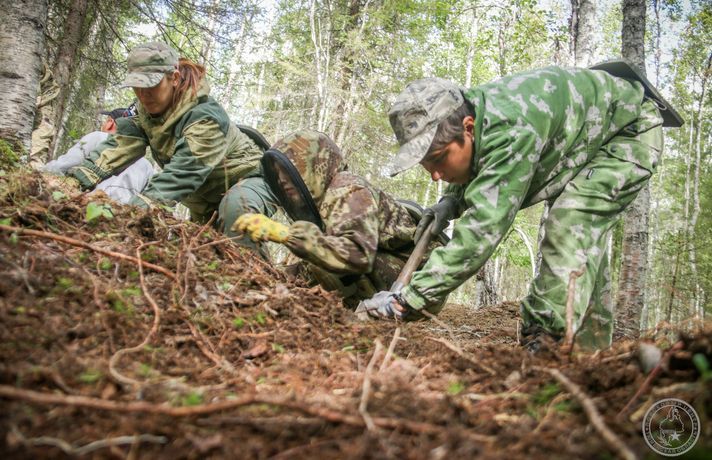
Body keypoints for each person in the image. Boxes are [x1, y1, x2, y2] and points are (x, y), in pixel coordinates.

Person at [365, 66, 666, 350]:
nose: (434, 175)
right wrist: (451, 200)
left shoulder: (511, 128)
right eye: (425, 164)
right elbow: (481, 161)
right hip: (589, 141)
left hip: (629, 132)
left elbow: (481, 233)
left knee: (570, 222)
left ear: (467, 128)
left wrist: (408, 300)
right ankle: (591, 357)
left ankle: (547, 341)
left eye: (439, 158)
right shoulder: (471, 113)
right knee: (582, 251)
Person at [67, 42, 277, 253]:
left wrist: (133, 213)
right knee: (199, 256)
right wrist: (72, 183)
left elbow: (183, 174)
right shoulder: (144, 112)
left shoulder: (206, 117)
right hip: (204, 201)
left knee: (237, 215)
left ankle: (259, 285)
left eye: (151, 86)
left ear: (174, 79)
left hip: (249, 181)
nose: (143, 94)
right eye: (137, 86)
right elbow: (117, 147)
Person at [233, 130, 446, 313]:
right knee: (319, 261)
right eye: (277, 174)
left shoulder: (348, 190)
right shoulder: (322, 205)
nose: (281, 180)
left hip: (421, 282)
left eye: (287, 171)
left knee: (327, 264)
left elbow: (356, 255)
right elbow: (312, 265)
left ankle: (371, 319)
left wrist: (287, 235)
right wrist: (267, 280)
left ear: (312, 165)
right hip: (399, 276)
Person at [43, 105, 155, 204]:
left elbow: (65, 165)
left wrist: (40, 170)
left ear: (110, 123)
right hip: (119, 219)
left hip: (83, 206)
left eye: (106, 120)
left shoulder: (98, 137)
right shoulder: (147, 165)